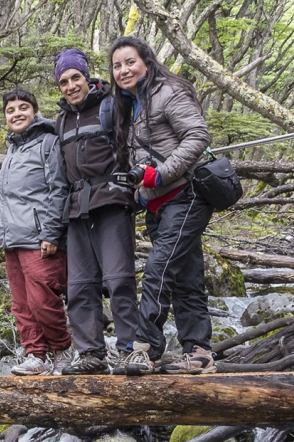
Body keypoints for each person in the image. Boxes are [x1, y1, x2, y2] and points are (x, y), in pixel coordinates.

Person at [108, 36, 214, 375]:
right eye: (117, 66)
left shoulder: (169, 91)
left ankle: (146, 349)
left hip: (186, 195)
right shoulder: (131, 104)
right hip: (158, 205)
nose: (123, 70)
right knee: (186, 276)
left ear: (147, 62)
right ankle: (199, 352)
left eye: (129, 62)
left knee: (158, 270)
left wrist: (159, 175)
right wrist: (140, 191)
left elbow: (198, 136)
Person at [53, 48, 139, 374]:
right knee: (79, 287)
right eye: (64, 81)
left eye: (76, 77)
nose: (71, 85)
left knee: (119, 280)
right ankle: (91, 354)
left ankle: (130, 349)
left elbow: (135, 145)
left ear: (87, 77)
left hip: (112, 202)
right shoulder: (61, 121)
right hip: (76, 210)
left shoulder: (111, 107)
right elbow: (60, 172)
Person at [0, 88, 70, 376]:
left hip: (40, 238)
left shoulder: (48, 142)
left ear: (35, 111)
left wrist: (51, 233)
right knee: (22, 305)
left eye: (23, 107)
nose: (17, 114)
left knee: (43, 301)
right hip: (11, 239)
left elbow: (58, 188)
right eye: (11, 110)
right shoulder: (12, 150)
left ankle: (62, 351)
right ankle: (35, 355)